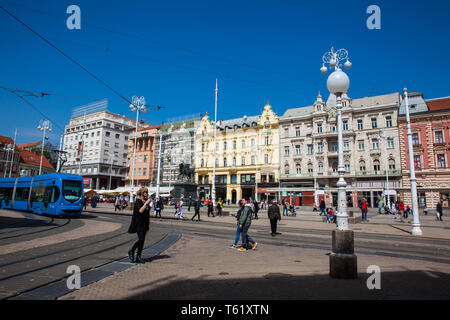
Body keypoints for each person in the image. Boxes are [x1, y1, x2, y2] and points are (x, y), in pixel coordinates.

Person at [127, 187, 152, 264]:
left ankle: (138, 257)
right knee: (141, 239)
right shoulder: (138, 201)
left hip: (144, 224)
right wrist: (146, 203)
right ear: (141, 193)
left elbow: (146, 212)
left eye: (147, 192)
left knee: (142, 241)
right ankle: (131, 251)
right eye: (145, 192)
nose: (147, 194)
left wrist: (149, 205)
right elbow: (140, 211)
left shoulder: (145, 201)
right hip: (138, 224)